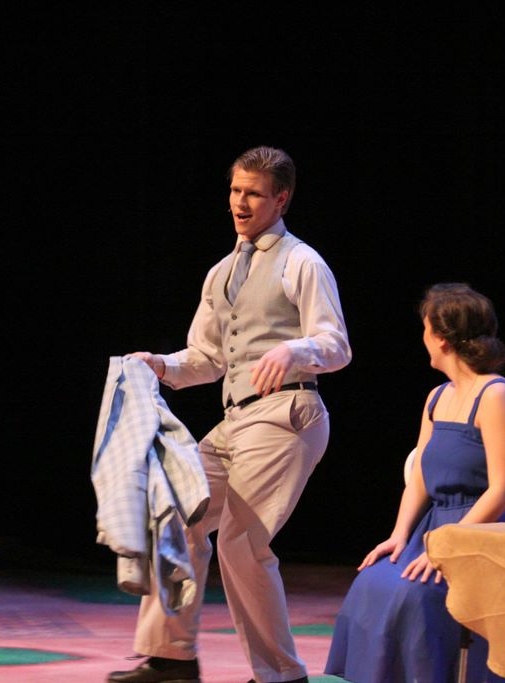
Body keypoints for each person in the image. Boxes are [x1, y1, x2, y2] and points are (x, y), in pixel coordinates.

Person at [109, 146, 352, 683]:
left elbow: (336, 345)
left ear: (281, 199)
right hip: (237, 419)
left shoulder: (301, 262)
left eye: (254, 194)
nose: (241, 203)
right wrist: (161, 364)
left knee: (240, 544)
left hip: (288, 412)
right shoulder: (221, 272)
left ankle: (281, 675)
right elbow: (207, 358)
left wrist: (294, 349)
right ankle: (171, 658)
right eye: (236, 190)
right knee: (176, 513)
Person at [325, 283, 505, 683]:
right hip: (437, 527)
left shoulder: (496, 396)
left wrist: (449, 546)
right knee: (372, 583)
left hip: (489, 532)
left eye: (425, 329)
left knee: (414, 595)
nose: (422, 338)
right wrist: (399, 535)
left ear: (441, 338)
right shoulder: (437, 397)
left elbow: (503, 489)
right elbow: (420, 475)